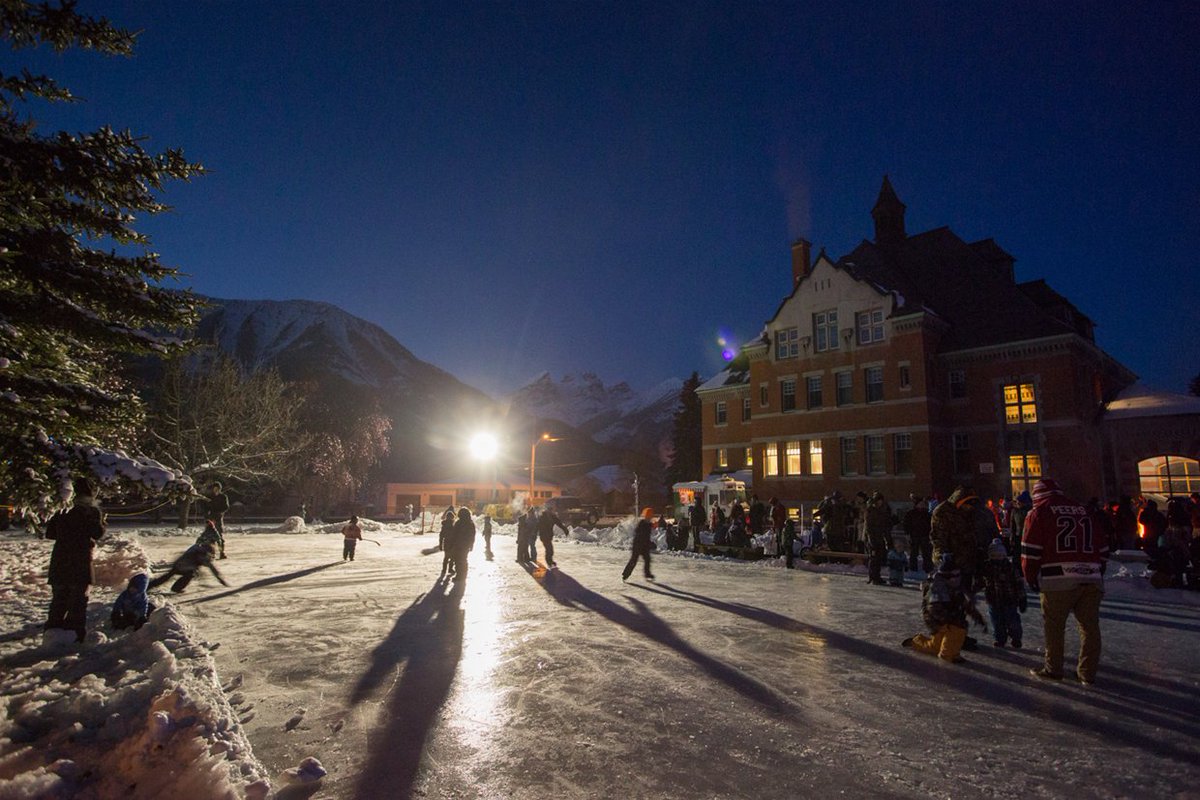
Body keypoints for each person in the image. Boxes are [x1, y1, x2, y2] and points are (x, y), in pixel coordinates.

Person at [1022, 478, 1108, 684]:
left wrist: (1030, 577)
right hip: (1091, 577)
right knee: (1090, 628)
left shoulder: (1039, 513)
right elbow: (1103, 547)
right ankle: (1087, 673)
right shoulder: (1085, 511)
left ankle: (1053, 668)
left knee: (1054, 626)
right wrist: (1096, 569)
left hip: (1057, 577)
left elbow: (1030, 551)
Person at [44, 477, 107, 643]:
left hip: (59, 561)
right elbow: (97, 533)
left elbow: (50, 534)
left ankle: (52, 634)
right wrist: (101, 522)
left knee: (58, 601)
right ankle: (74, 637)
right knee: (77, 602)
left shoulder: (62, 509)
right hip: (79, 562)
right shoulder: (90, 511)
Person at [901, 554, 984, 663]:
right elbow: (934, 610)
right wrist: (951, 619)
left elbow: (963, 603)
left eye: (958, 575)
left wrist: (976, 616)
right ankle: (949, 654)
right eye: (953, 576)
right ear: (945, 576)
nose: (956, 579)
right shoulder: (938, 590)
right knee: (957, 629)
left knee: (934, 647)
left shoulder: (954, 587)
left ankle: (916, 641)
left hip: (947, 617)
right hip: (936, 620)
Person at [981, 538, 1026, 648]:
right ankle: (1000, 639)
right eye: (994, 556)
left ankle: (1016, 638)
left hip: (1009, 599)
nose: (998, 558)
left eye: (1000, 555)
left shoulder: (1009, 568)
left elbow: (1018, 583)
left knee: (1013, 621)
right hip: (993, 600)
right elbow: (981, 581)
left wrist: (1022, 598)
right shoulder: (987, 567)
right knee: (997, 622)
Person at [149, 541, 229, 594]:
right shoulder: (204, 554)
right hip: (185, 567)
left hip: (178, 564)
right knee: (190, 574)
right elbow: (212, 568)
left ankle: (150, 585)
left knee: (167, 576)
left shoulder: (196, 547)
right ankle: (176, 588)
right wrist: (220, 579)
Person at [865, 492, 894, 585]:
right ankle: (873, 576)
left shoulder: (883, 511)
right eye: (878, 500)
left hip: (880, 538)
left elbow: (885, 526)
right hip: (873, 538)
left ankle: (877, 576)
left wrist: (888, 539)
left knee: (879, 558)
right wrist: (871, 540)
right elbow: (869, 528)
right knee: (873, 558)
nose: (880, 502)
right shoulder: (871, 511)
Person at [623, 507, 656, 581]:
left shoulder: (648, 524)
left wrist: (649, 543)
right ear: (646, 516)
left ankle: (647, 574)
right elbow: (641, 535)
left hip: (644, 546)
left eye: (650, 517)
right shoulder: (642, 523)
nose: (650, 518)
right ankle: (626, 574)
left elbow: (646, 536)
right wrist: (648, 543)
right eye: (649, 516)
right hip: (637, 545)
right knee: (633, 560)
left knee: (647, 559)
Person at [903, 494, 932, 573]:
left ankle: (928, 568)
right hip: (914, 535)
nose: (922, 505)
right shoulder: (911, 513)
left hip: (924, 535)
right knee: (914, 552)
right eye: (920, 503)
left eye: (923, 503)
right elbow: (906, 524)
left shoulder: (927, 514)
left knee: (926, 553)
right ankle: (913, 568)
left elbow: (930, 525)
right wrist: (907, 534)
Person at [449, 507, 476, 581]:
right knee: (464, 560)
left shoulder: (458, 523)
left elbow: (453, 534)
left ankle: (459, 576)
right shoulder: (470, 523)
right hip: (466, 545)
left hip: (458, 545)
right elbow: (472, 535)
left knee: (458, 560)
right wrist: (471, 545)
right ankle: (463, 575)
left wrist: (451, 544)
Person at [207, 482, 230, 558]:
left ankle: (221, 552)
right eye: (215, 488)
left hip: (218, 517)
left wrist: (219, 512)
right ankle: (212, 553)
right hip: (211, 518)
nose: (216, 490)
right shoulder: (210, 497)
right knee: (210, 537)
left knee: (219, 536)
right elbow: (205, 506)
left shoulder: (223, 497)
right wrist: (207, 514)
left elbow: (226, 507)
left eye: (217, 488)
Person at [439, 508, 456, 577]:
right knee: (452, 557)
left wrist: (440, 544)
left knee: (446, 557)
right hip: (452, 543)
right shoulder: (453, 525)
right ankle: (450, 569)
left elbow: (441, 535)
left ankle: (444, 569)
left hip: (446, 542)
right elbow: (456, 534)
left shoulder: (444, 525)